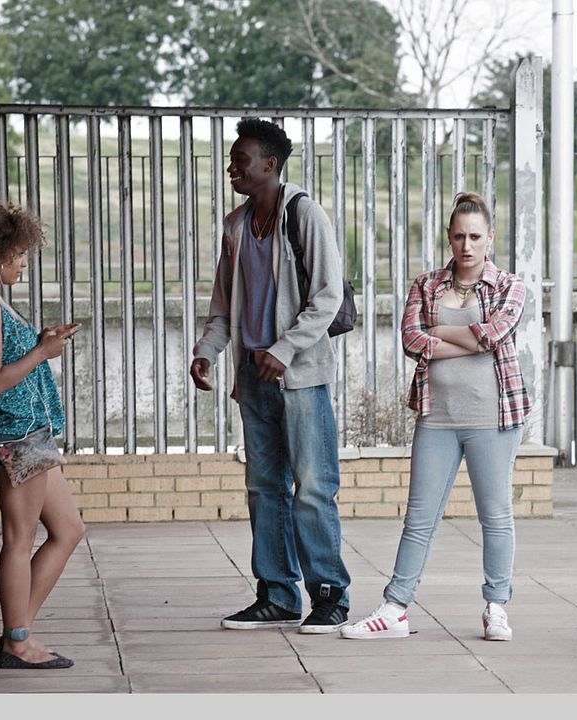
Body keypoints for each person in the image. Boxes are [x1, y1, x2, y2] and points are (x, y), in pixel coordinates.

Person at [340, 192, 530, 642]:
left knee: (496, 515)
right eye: (459, 235)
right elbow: (410, 340)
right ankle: (394, 609)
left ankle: (496, 607)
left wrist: (439, 331)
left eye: (476, 236)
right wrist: (465, 336)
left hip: (494, 417)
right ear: (449, 236)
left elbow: (494, 336)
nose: (467, 245)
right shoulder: (425, 285)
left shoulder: (510, 287)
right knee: (420, 517)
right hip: (436, 417)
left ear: (491, 238)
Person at [190, 118, 351, 633]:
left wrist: (284, 350)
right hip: (254, 378)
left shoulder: (304, 214)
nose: (232, 167)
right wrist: (207, 352)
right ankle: (277, 594)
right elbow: (223, 305)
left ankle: (329, 595)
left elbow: (326, 298)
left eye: (241, 159)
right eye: (232, 159)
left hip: (300, 378)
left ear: (270, 164)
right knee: (264, 488)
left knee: (312, 486)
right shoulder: (236, 225)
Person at [0, 195, 86, 669]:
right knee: (20, 539)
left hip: (33, 434)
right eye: (17, 253)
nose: (22, 262)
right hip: (14, 436)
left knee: (69, 530)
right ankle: (18, 641)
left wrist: (43, 343)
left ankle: (17, 632)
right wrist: (42, 354)